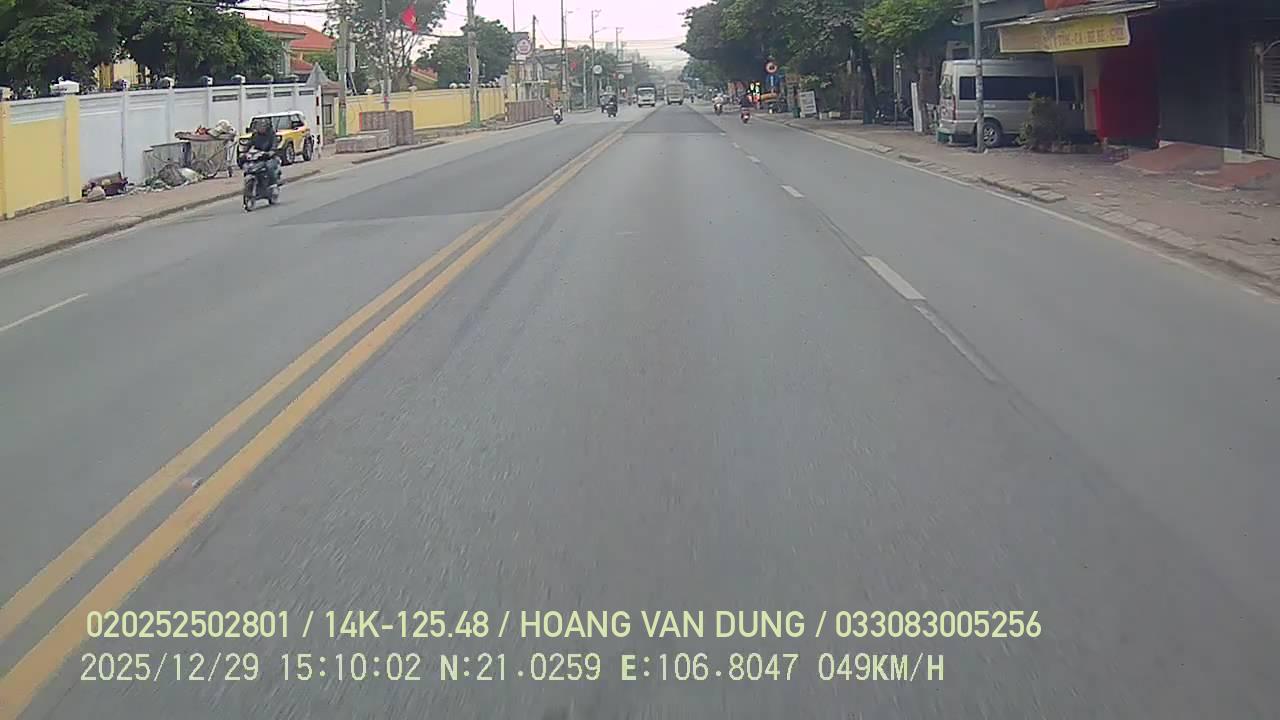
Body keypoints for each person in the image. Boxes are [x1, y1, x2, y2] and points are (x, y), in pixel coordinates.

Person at [244, 117, 281, 186]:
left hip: (269, 158)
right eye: (259, 126)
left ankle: (272, 184)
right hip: (258, 157)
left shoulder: (272, 135)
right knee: (248, 166)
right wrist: (245, 152)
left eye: (263, 126)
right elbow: (249, 144)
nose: (260, 128)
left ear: (267, 126)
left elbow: (274, 144)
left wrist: (271, 152)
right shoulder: (255, 135)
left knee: (269, 166)